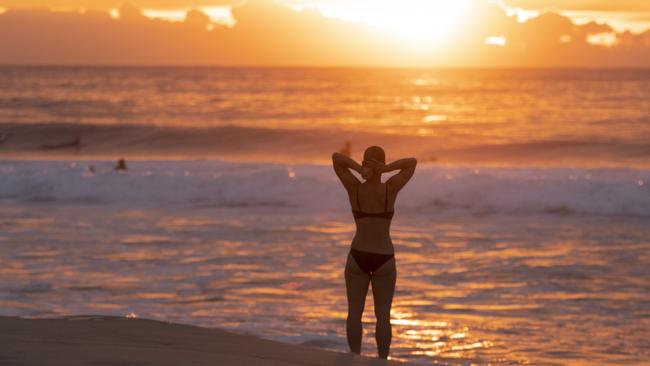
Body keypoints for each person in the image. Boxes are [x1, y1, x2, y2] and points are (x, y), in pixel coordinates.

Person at [331, 146, 417, 359]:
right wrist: (385, 169)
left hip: (357, 256)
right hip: (384, 258)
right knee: (383, 316)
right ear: (381, 163)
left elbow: (337, 159)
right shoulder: (390, 189)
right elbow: (411, 162)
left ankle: (354, 357)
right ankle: (382, 361)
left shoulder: (354, 188)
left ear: (365, 162)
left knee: (354, 313)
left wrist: (360, 170)